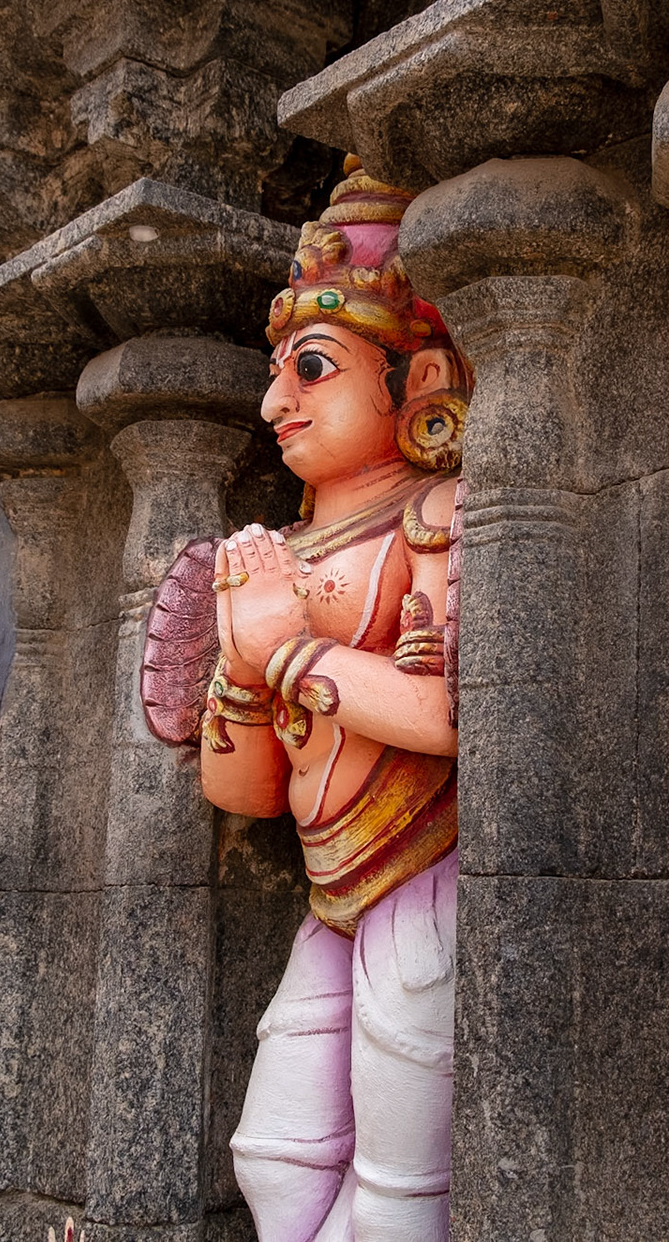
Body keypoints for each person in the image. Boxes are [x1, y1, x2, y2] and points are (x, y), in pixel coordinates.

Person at [148, 157, 470, 1240]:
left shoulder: (437, 515)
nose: (273, 402)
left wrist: (284, 648)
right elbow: (243, 792)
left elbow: (450, 715)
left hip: (424, 872)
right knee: (274, 1158)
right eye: (279, 372)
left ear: (419, 384)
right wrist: (240, 665)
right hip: (332, 889)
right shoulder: (274, 553)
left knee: (400, 1187)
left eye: (313, 369)